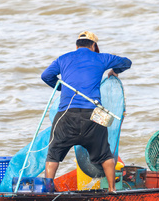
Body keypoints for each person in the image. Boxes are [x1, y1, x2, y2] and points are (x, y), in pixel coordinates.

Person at [41, 31, 132, 192]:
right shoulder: (101, 58)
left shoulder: (63, 58)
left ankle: (48, 189)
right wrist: (115, 71)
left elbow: (46, 75)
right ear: (93, 46)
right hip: (94, 115)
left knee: (53, 154)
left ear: (76, 46)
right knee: (105, 154)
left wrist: (63, 87)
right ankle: (112, 189)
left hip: (66, 115)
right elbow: (126, 62)